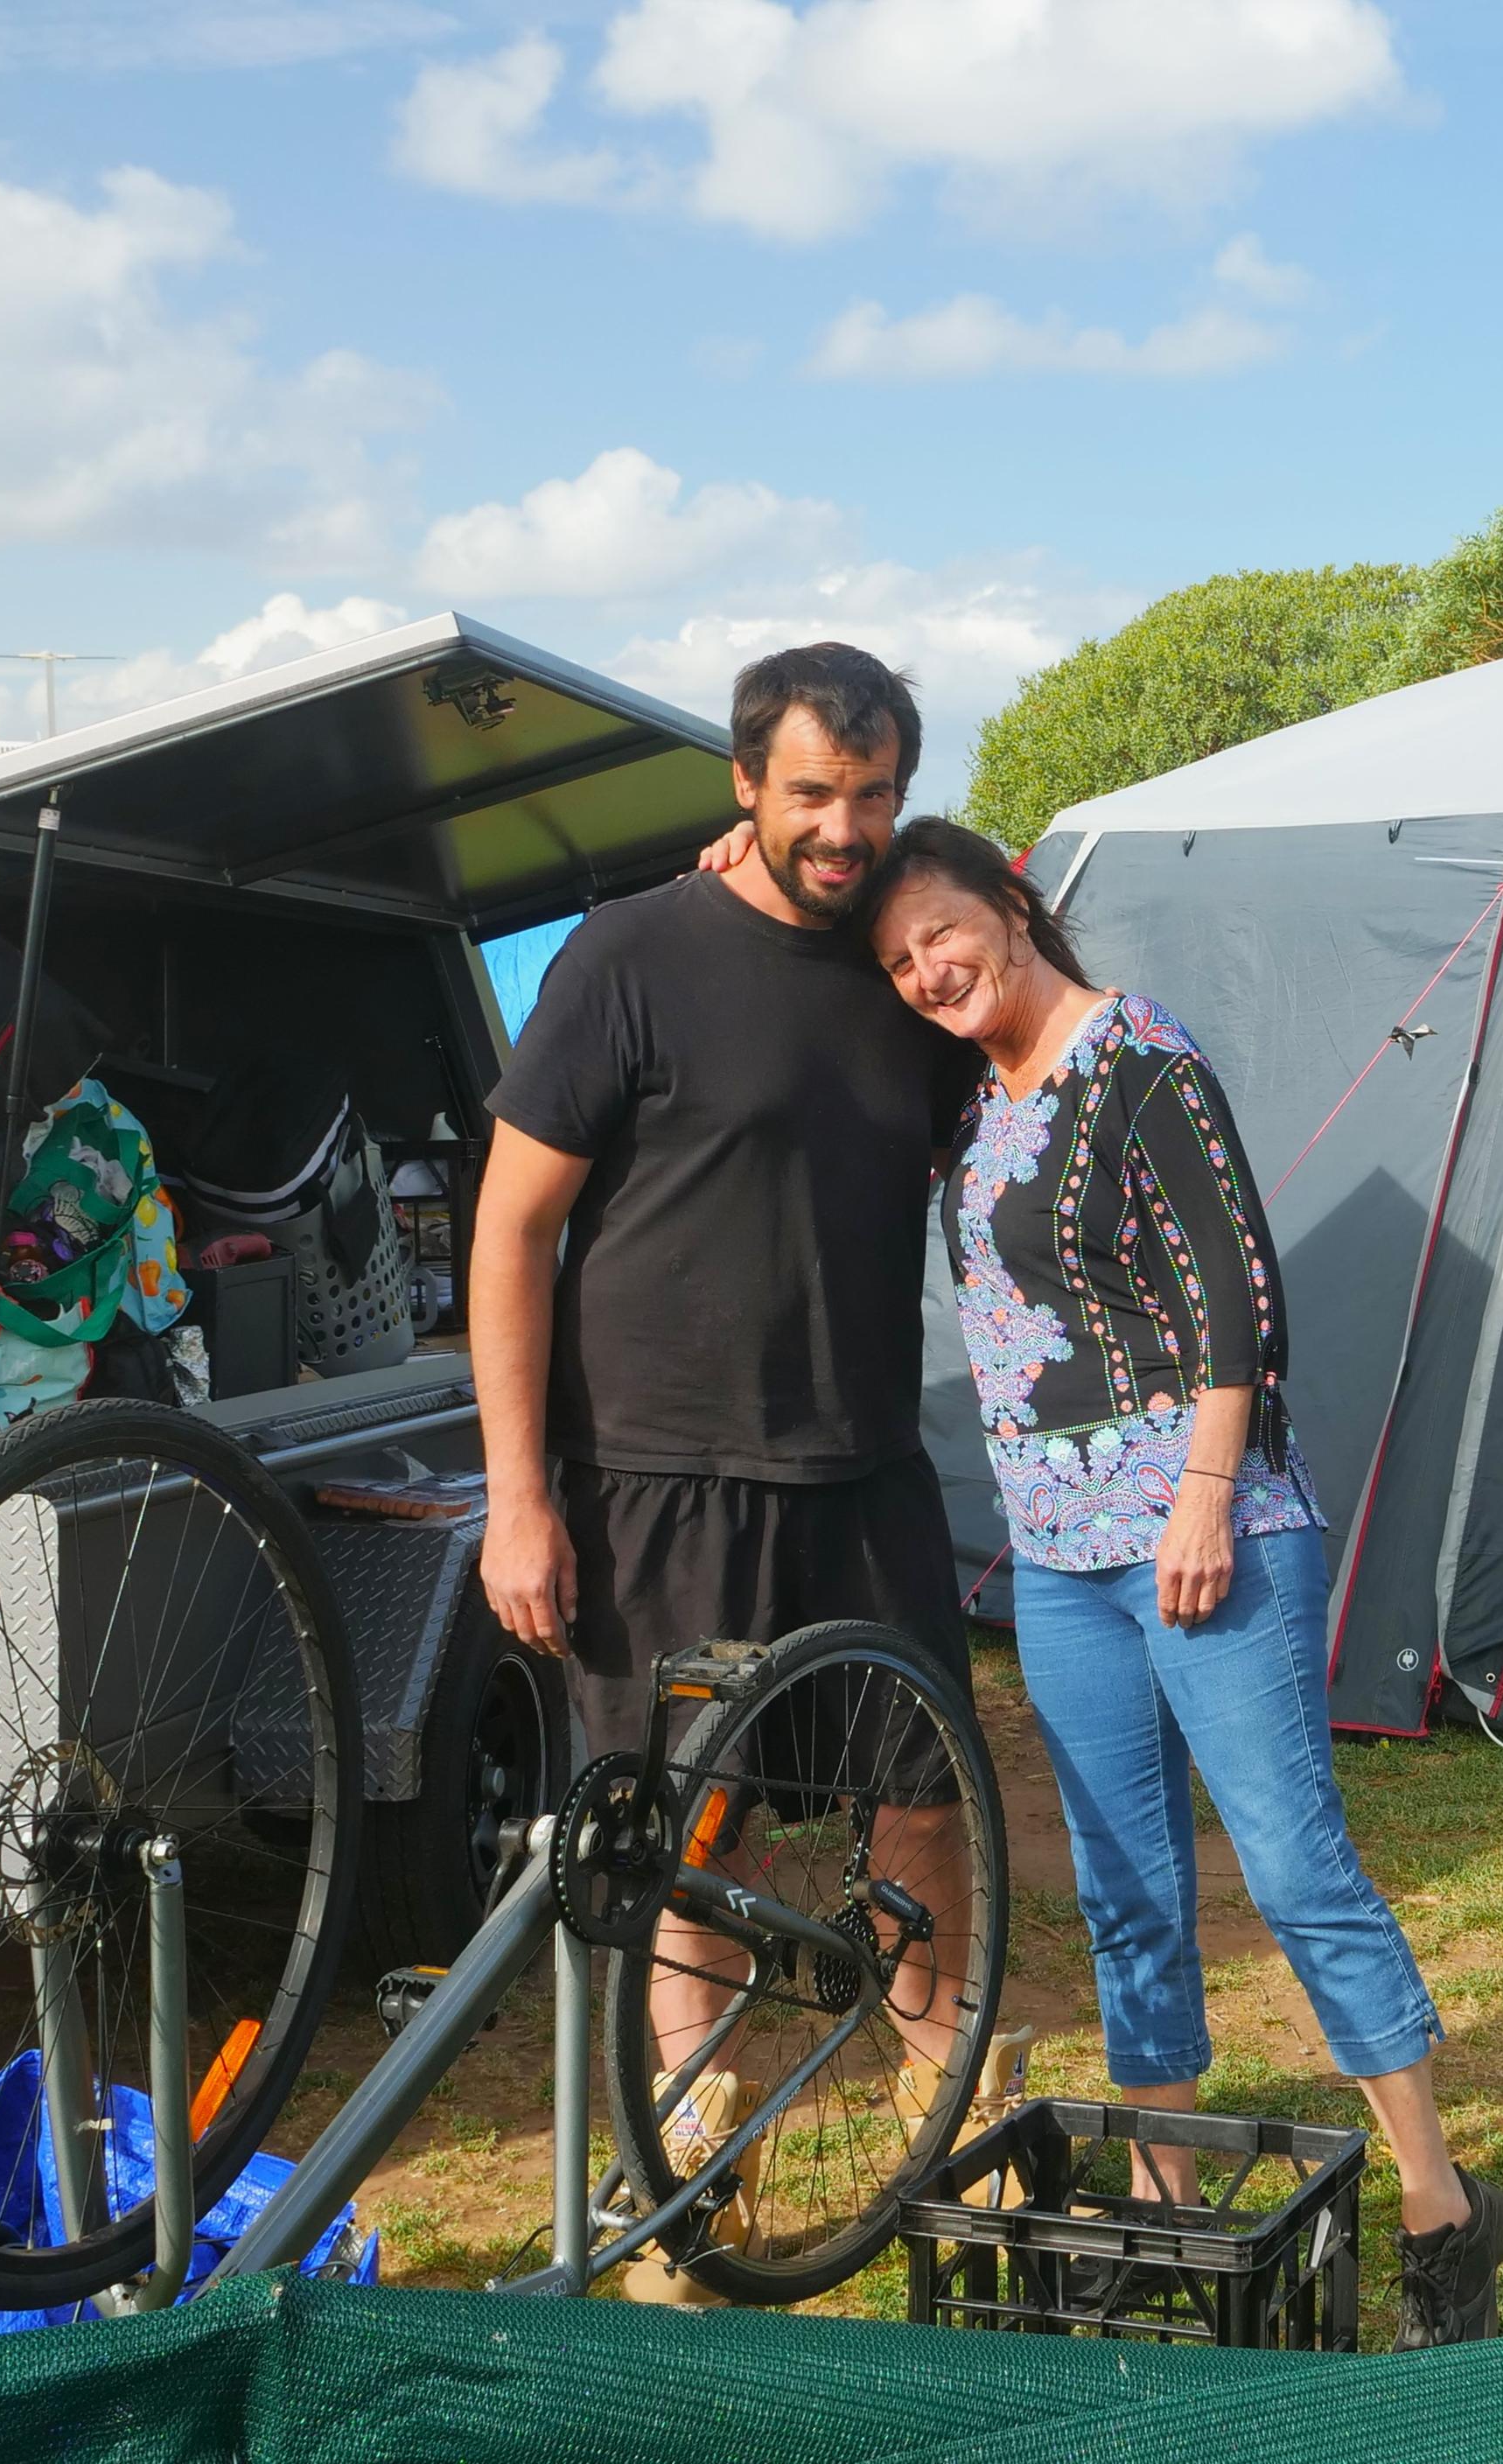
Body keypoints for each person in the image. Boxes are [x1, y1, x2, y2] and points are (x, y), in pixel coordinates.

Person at [860, 815, 1503, 2348]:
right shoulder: (974, 1096)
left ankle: (1439, 2204)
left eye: (941, 933)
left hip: (1200, 1533)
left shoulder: (1137, 1054)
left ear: (1014, 907)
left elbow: (1243, 1295)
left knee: (1292, 1871)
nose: (924, 970)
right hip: (1061, 1556)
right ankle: (1162, 2198)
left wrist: (1206, 1495)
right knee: (1125, 1889)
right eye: (896, 961)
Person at [468, 642, 983, 2301]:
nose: (847, 828)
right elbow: (509, 1233)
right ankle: (691, 2174)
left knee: (923, 1801)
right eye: (816, 793)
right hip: (660, 1484)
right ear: (745, 788)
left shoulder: (909, 964)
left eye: (877, 794)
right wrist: (520, 1494)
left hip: (866, 1474)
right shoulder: (629, 958)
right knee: (693, 1835)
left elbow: (1031, 991)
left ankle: (938, 2114)